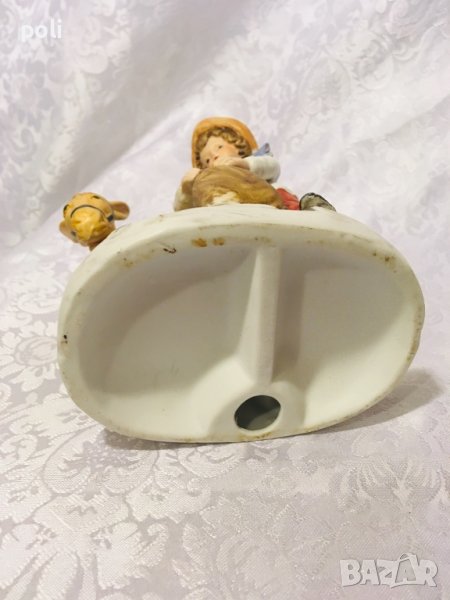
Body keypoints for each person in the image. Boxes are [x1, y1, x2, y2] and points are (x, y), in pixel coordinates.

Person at [174, 116, 335, 212]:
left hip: (276, 207)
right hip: (236, 213)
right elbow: (181, 212)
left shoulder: (252, 163)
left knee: (282, 194)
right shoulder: (211, 189)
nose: (214, 157)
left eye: (219, 147)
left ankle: (309, 212)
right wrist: (186, 188)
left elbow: (273, 167)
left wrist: (244, 165)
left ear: (239, 146)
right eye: (207, 161)